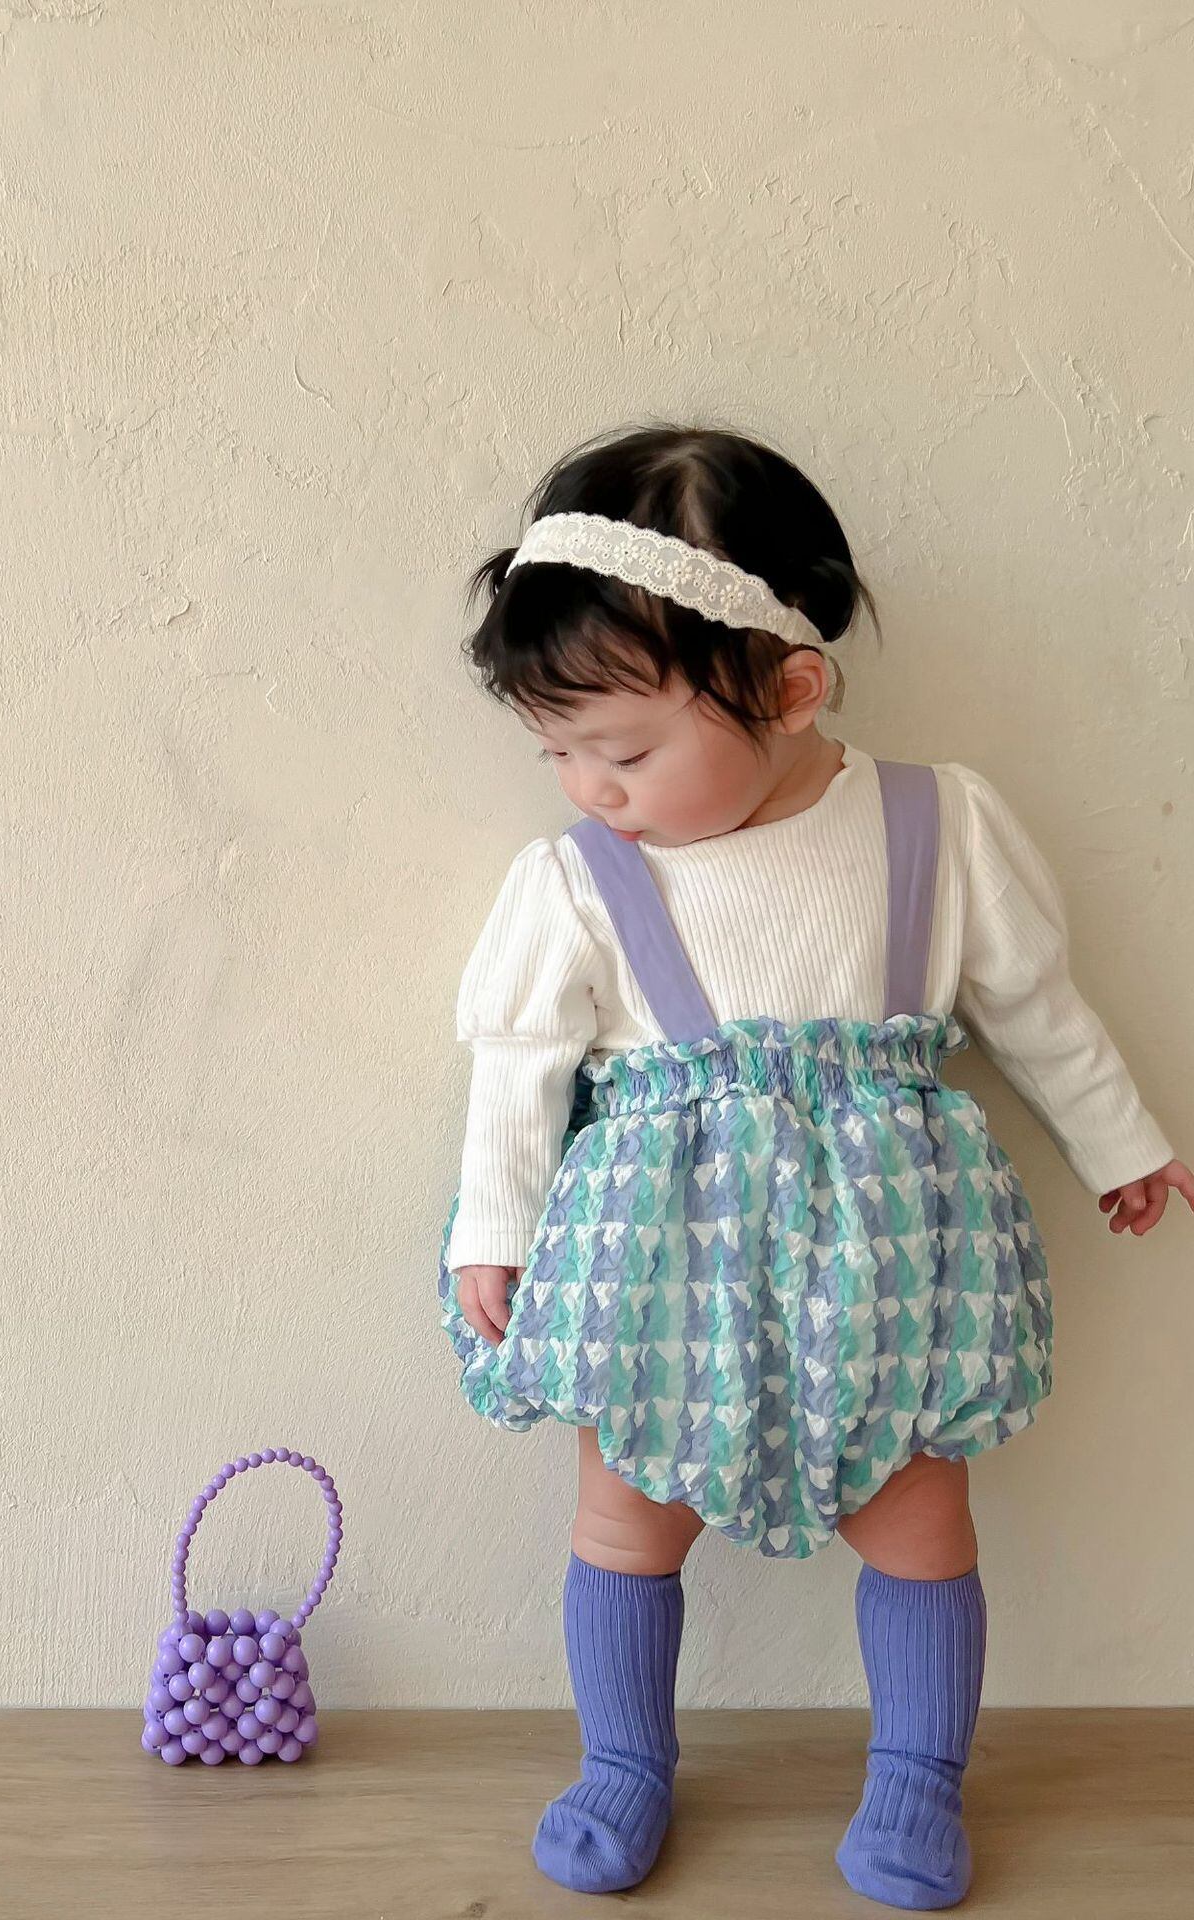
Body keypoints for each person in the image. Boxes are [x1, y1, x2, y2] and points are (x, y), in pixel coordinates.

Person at [433, 421, 1191, 1910]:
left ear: (789, 688)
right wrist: (493, 1231)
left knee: (919, 1521)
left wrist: (1122, 1142)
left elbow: (1036, 1009)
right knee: (624, 1516)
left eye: (626, 749)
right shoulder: (576, 882)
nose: (590, 787)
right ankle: (624, 1762)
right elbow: (518, 1070)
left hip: (884, 1262)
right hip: (663, 1274)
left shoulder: (934, 824)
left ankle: (917, 1778)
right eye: (558, 750)